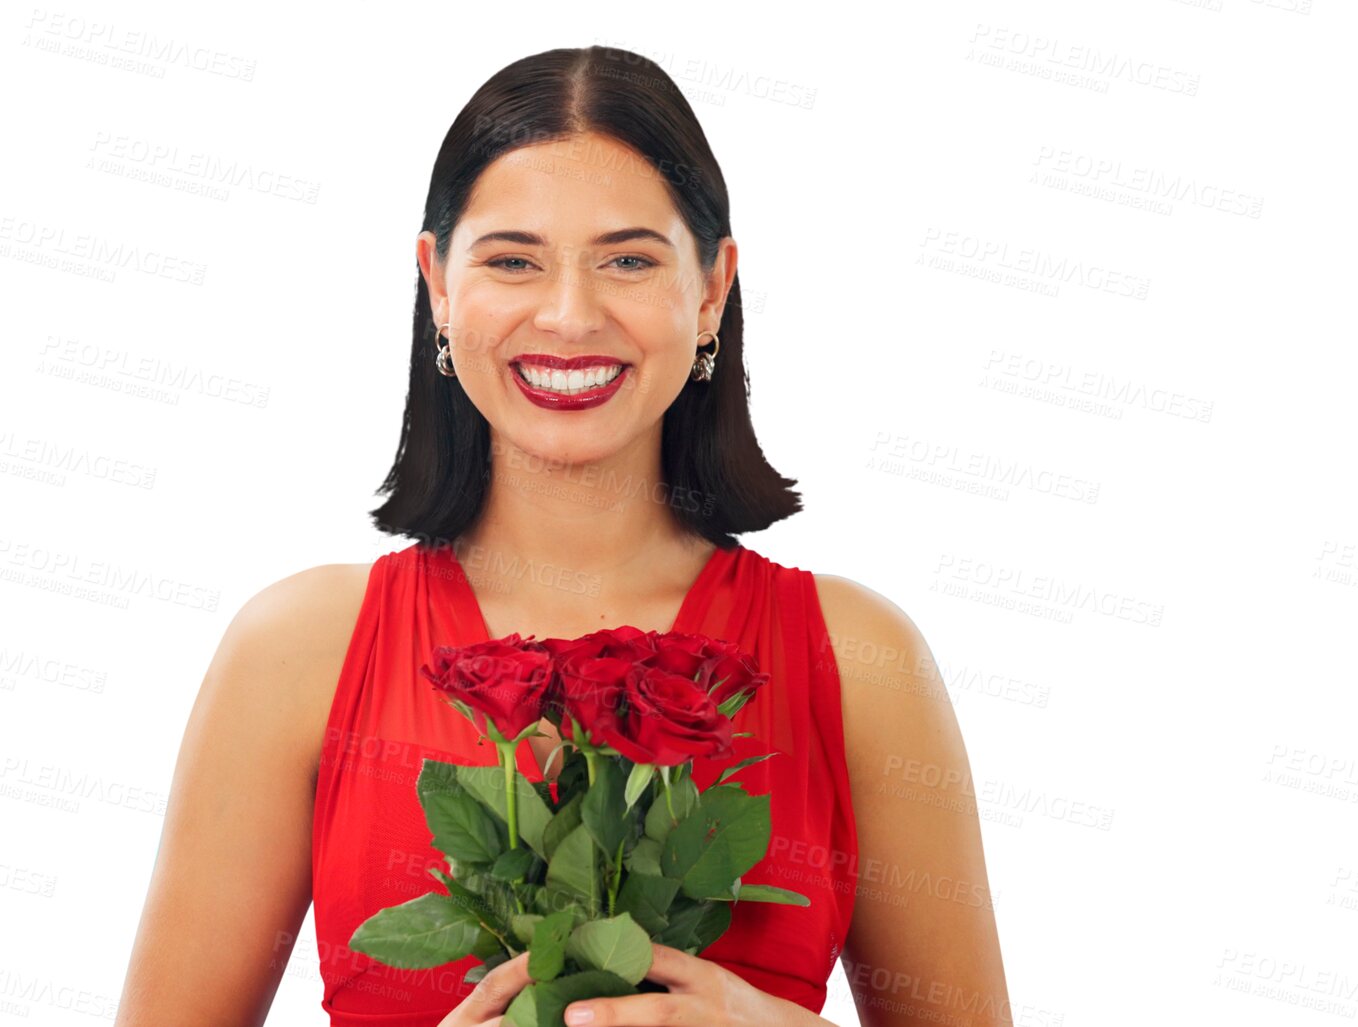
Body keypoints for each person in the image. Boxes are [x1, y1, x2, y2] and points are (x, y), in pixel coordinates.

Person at [114, 45, 1010, 1027]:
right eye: (512, 260)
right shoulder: (296, 649)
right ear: (439, 284)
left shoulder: (859, 658)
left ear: (711, 289)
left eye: (628, 259)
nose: (571, 315)